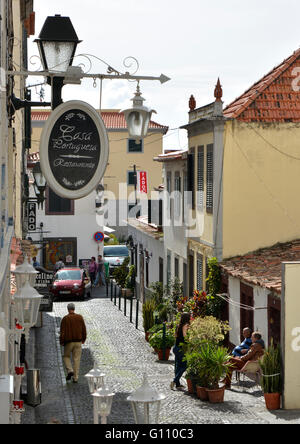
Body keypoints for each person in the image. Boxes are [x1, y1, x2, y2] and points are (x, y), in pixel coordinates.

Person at [59, 303, 87, 383]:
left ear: (68, 309)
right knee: (76, 360)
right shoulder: (79, 317)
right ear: (74, 309)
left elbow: (62, 332)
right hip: (78, 342)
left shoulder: (65, 319)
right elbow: (84, 329)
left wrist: (61, 341)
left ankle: (70, 370)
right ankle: (75, 378)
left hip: (69, 342)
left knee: (66, 357)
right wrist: (83, 339)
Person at [170, 312, 191, 391]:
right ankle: (174, 381)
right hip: (181, 349)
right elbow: (185, 337)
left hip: (175, 347)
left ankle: (178, 384)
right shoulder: (185, 325)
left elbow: (176, 336)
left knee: (178, 366)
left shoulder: (178, 325)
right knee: (184, 365)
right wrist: (190, 341)